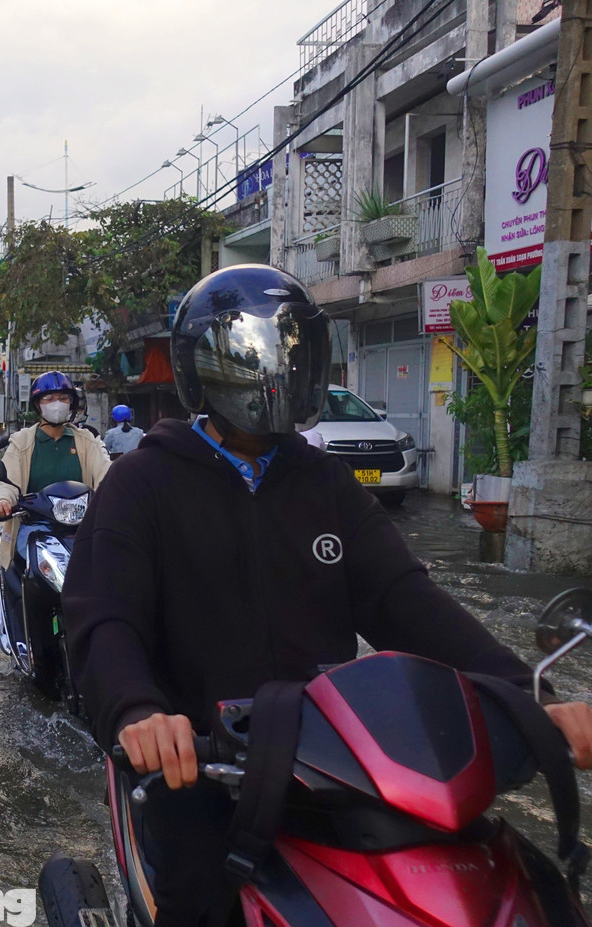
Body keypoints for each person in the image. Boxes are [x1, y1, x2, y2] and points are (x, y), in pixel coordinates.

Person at [59, 264, 592, 927]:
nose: (278, 373)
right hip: (204, 769)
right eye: (256, 354)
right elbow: (104, 616)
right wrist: (140, 711)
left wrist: (531, 698)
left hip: (336, 767)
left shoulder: (327, 484)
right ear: (205, 366)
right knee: (199, 901)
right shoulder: (141, 484)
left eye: (293, 350)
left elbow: (406, 602)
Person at [0, 372, 110, 643]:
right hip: (34, 528)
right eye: (49, 398)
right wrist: (4, 500)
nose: (57, 403)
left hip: (81, 529)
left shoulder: (87, 441)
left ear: (72, 403)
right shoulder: (22, 442)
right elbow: (7, 480)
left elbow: (107, 476)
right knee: (26, 578)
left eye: (63, 397)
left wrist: (120, 497)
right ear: (38, 405)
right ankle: (25, 635)